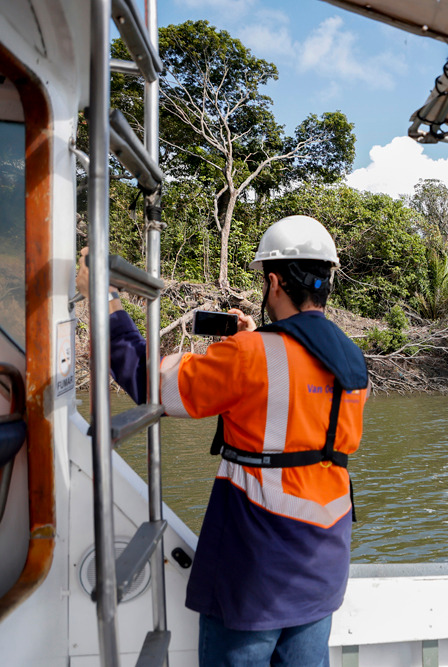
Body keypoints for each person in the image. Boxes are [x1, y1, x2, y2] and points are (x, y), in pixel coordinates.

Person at [78, 215, 369, 666]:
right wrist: (256, 341)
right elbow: (299, 416)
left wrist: (106, 299)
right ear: (327, 281)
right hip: (323, 564)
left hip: (258, 569)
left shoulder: (252, 355)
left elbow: (145, 378)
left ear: (274, 281)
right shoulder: (352, 358)